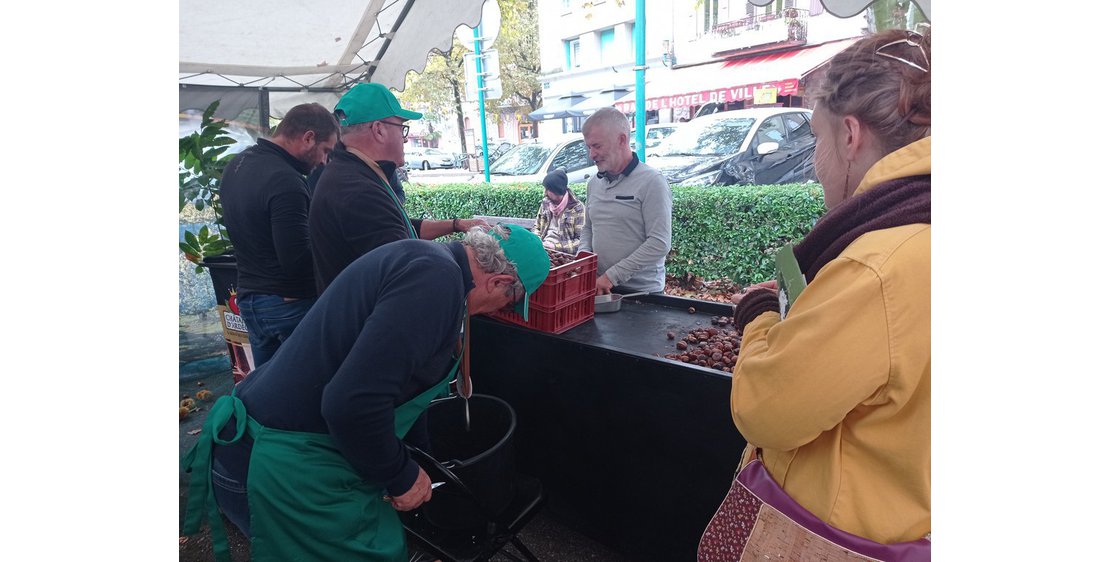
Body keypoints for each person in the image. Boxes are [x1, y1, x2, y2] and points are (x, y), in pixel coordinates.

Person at [181, 224, 551, 562]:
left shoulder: (431, 264)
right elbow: (350, 404)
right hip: (276, 462)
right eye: (507, 303)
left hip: (295, 447)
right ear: (499, 281)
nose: (496, 313)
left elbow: (398, 388)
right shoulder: (435, 282)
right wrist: (400, 474)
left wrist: (419, 460)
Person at [726, 29, 931, 544]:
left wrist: (759, 316)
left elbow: (764, 410)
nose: (816, 161)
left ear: (849, 135)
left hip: (843, 536)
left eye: (816, 138)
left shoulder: (877, 269)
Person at [309, 82, 488, 293]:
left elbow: (399, 228)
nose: (404, 139)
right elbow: (404, 264)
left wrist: (456, 224)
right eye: (402, 128)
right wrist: (464, 257)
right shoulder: (356, 189)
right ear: (379, 130)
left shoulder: (353, 171)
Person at [219, 102, 340, 366]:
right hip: (288, 306)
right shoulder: (286, 181)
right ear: (308, 137)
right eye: (325, 150)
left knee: (269, 396)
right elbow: (296, 261)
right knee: (310, 393)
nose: (323, 161)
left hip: (250, 302)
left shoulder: (236, 166)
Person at [579, 106, 672, 294]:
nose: (592, 155)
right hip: (599, 288)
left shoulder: (652, 181)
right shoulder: (593, 183)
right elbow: (588, 228)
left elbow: (660, 243)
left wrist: (612, 276)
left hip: (643, 294)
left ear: (621, 140)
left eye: (597, 146)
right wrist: (584, 257)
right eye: (589, 147)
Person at [532, 169, 585, 254]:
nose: (544, 193)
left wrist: (555, 247)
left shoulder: (577, 208)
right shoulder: (545, 203)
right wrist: (537, 240)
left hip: (563, 255)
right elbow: (536, 227)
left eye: (547, 190)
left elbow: (581, 241)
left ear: (556, 190)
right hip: (542, 249)